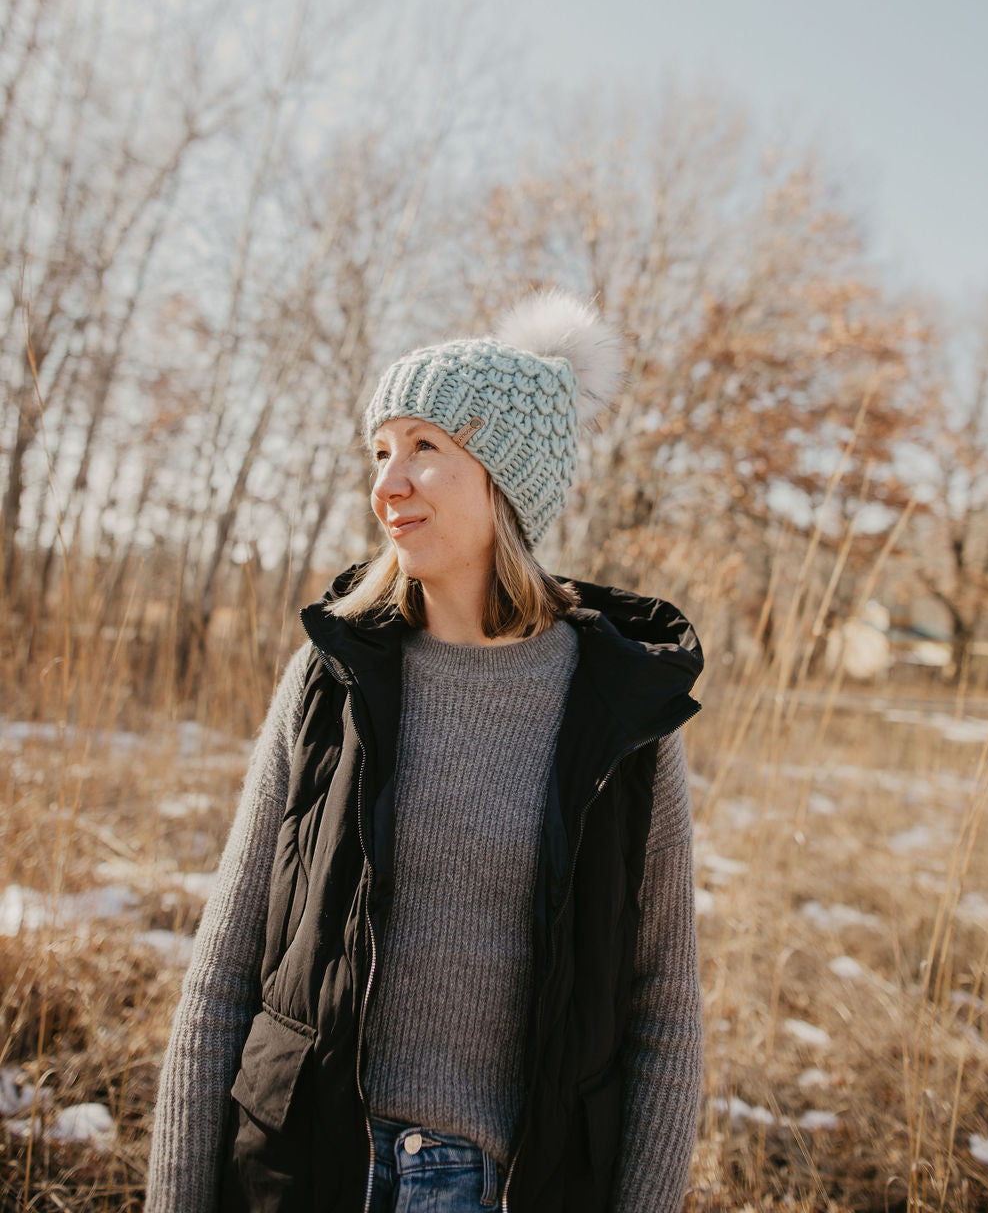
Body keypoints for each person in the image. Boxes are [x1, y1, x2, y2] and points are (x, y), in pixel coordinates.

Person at [146, 288, 704, 1213]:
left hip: (499, 1186)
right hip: (304, 1169)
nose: (387, 484)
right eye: (380, 451)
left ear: (505, 481)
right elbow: (223, 969)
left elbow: (666, 1021)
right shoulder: (330, 679)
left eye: (424, 448)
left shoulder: (623, 717)